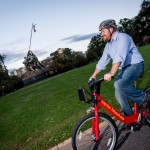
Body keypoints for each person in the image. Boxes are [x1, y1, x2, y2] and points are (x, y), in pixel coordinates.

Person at [90, 19, 150, 118]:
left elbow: (119, 56)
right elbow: (102, 61)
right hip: (125, 69)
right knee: (118, 92)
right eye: (101, 32)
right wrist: (93, 76)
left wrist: (112, 73)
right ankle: (130, 118)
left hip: (136, 65)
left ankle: (145, 99)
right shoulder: (108, 46)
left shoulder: (123, 38)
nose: (101, 34)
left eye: (103, 31)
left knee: (119, 84)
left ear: (111, 29)